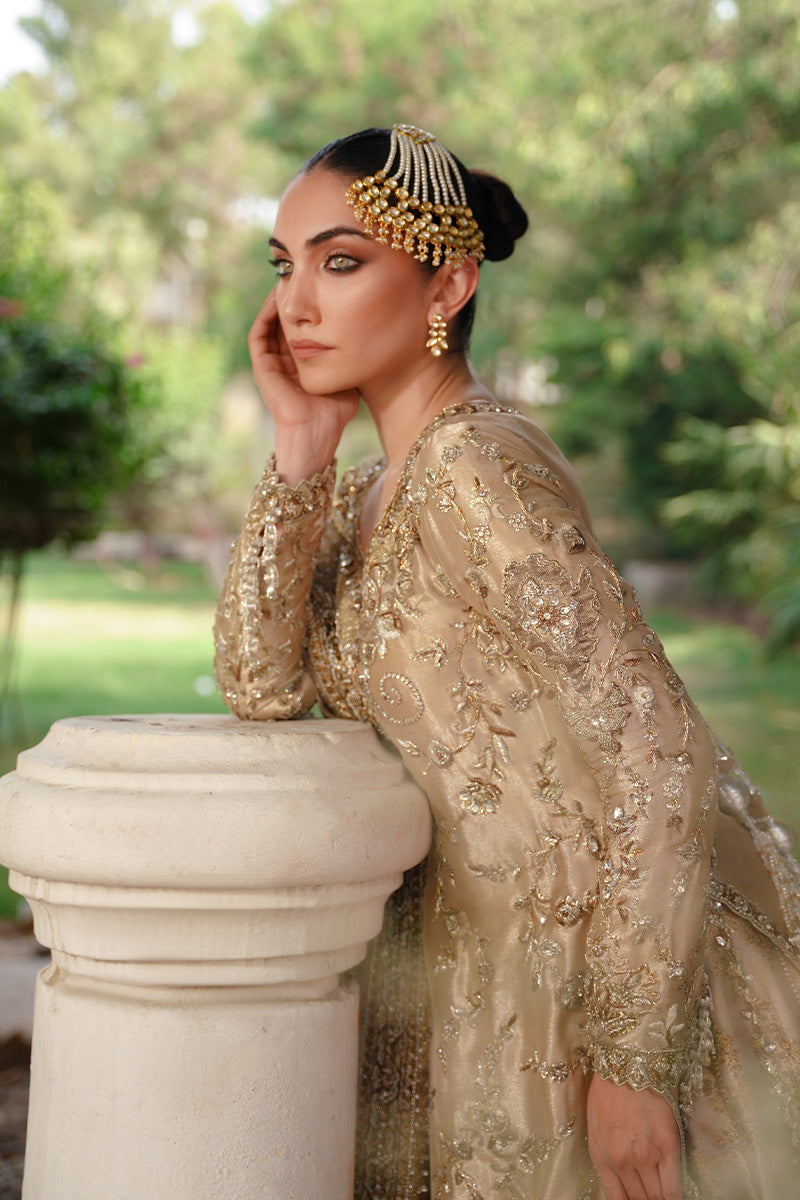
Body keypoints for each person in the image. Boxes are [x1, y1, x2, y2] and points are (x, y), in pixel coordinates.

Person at [214, 124, 800, 1200]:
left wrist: (633, 1059)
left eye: (340, 263)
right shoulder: (370, 489)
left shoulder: (473, 465)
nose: (295, 304)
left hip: (581, 1003)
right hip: (462, 988)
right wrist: (300, 446)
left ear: (447, 285)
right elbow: (261, 687)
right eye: (283, 265)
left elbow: (660, 746)